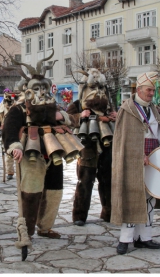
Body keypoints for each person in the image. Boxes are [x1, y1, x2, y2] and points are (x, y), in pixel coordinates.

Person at [2, 48, 76, 248]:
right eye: (37, 88)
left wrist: (65, 117)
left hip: (55, 154)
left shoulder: (54, 107)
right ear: (27, 89)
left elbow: (71, 121)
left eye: (44, 87)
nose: (41, 92)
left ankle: (46, 226)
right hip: (30, 154)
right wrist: (14, 146)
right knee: (31, 192)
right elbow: (8, 130)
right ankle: (27, 229)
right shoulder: (18, 109)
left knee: (54, 192)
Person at [111, 72, 160, 255]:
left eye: (153, 90)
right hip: (132, 160)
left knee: (149, 198)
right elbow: (123, 139)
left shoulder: (153, 109)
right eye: (149, 90)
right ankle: (125, 239)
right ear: (139, 89)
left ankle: (144, 238)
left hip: (153, 157)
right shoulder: (128, 109)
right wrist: (138, 155)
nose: (151, 93)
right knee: (132, 197)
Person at [66, 68, 116, 226]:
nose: (99, 92)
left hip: (107, 144)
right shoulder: (77, 105)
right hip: (87, 145)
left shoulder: (108, 105)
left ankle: (109, 212)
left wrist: (115, 116)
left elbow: (116, 116)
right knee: (85, 179)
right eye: (94, 88)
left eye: (100, 88)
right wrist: (80, 116)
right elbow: (67, 119)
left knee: (108, 178)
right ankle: (79, 215)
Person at [0, 89, 17, 180]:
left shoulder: (18, 105)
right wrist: (0, 125)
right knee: (8, 152)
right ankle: (10, 172)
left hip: (18, 129)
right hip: (7, 131)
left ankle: (22, 171)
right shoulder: (2, 106)